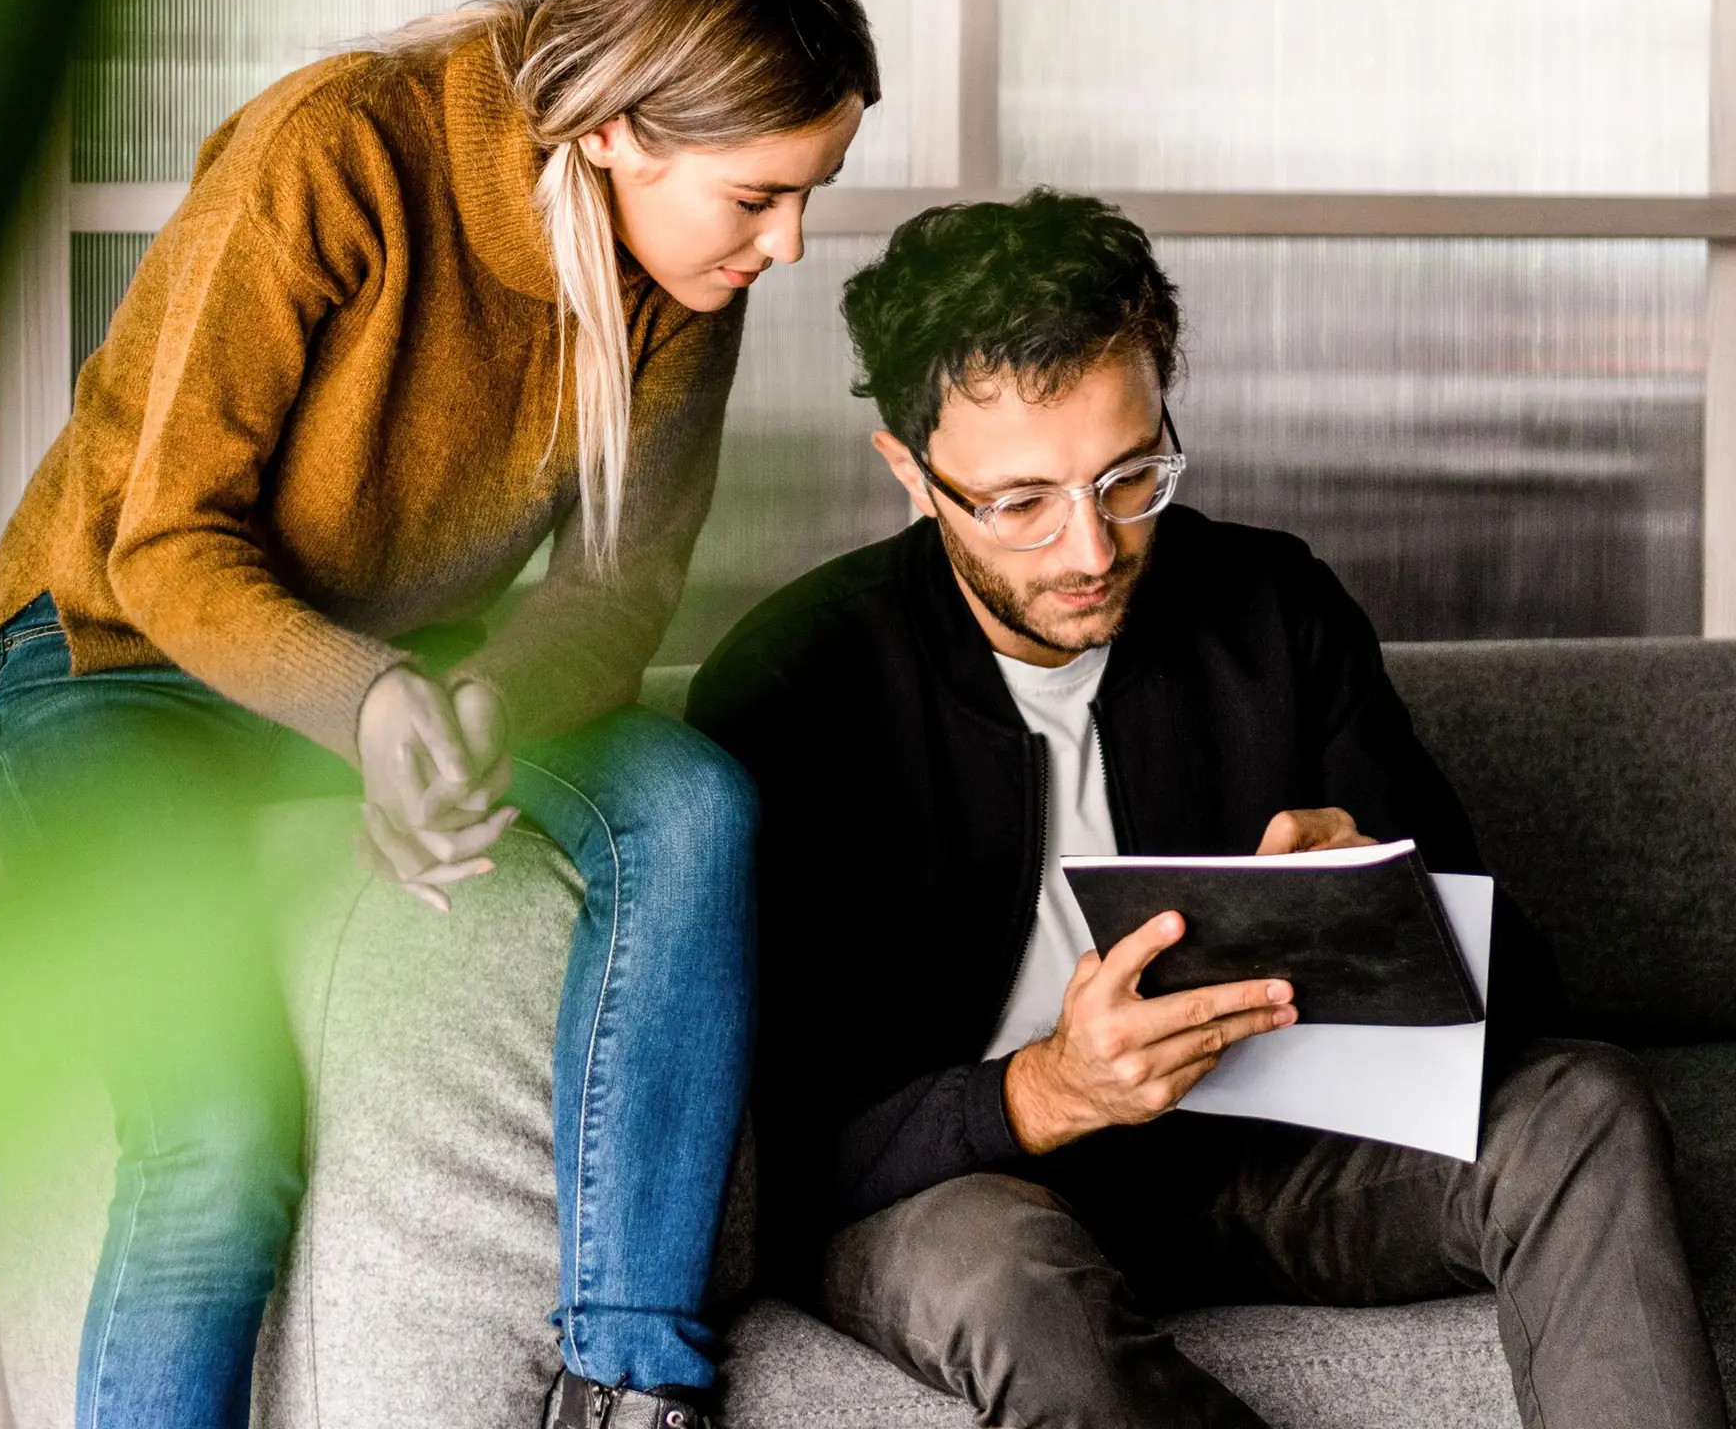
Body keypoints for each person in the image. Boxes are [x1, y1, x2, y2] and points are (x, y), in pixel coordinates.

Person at [0, 0, 879, 1429]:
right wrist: (370, 703)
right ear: (615, 135)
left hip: (382, 658)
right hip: (110, 652)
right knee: (218, 1138)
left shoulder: (680, 277)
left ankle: (628, 1381)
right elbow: (165, 546)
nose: (788, 246)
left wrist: (473, 705)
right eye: (759, 197)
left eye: (814, 193)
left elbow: (612, 594)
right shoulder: (337, 153)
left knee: (694, 806)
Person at [685, 189, 1727, 1429]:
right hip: (970, 1191)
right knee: (1013, 1282)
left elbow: (1520, 1011)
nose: (1090, 549)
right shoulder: (794, 685)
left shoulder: (1273, 611)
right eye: (1020, 503)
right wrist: (1043, 1094)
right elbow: (765, 1154)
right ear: (911, 473)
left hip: (1255, 1155)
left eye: (1131, 476)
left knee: (1584, 1109)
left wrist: (1387, 910)